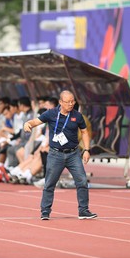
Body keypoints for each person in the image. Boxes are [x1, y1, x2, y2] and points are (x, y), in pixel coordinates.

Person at [23, 90, 97, 220]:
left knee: (82, 181)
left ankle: (83, 210)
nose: (71, 104)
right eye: (68, 102)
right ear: (60, 102)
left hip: (73, 154)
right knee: (50, 183)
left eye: (72, 101)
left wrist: (86, 150)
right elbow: (35, 122)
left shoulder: (77, 116)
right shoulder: (51, 114)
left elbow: (84, 132)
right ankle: (45, 211)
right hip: (55, 154)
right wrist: (27, 124)